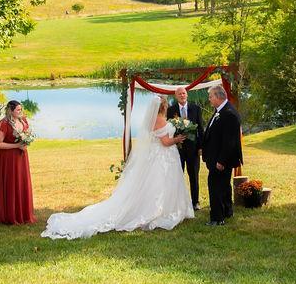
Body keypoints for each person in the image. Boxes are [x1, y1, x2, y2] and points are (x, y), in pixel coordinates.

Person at [42, 96, 191, 239]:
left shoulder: (153, 119)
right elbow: (165, 142)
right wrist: (177, 139)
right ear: (163, 107)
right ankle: (158, 211)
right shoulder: (160, 120)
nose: (167, 106)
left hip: (158, 156)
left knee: (154, 185)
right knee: (160, 184)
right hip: (162, 158)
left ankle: (161, 209)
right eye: (166, 104)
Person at [202, 85, 242, 226]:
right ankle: (227, 211)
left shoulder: (229, 113)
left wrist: (221, 161)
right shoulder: (220, 110)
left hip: (220, 159)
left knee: (215, 187)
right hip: (216, 156)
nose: (209, 99)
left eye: (211, 96)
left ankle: (217, 218)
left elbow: (229, 142)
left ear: (218, 97)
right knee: (224, 186)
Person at [0, 100, 36, 225]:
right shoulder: (3, 124)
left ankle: (23, 213)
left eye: (21, 109)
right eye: (18, 110)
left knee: (22, 182)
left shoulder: (23, 121)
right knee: (11, 183)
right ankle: (9, 214)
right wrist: (17, 145)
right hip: (8, 159)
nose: (20, 111)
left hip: (21, 158)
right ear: (10, 110)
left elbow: (26, 135)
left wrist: (26, 142)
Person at [167, 85, 205, 210]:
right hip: (177, 149)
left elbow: (200, 129)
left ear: (187, 94)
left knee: (194, 176)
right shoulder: (170, 110)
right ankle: (178, 203)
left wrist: (201, 147)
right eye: (179, 94)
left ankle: (195, 202)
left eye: (183, 93)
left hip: (193, 149)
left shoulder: (196, 108)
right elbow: (168, 129)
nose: (182, 95)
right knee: (178, 175)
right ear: (176, 96)